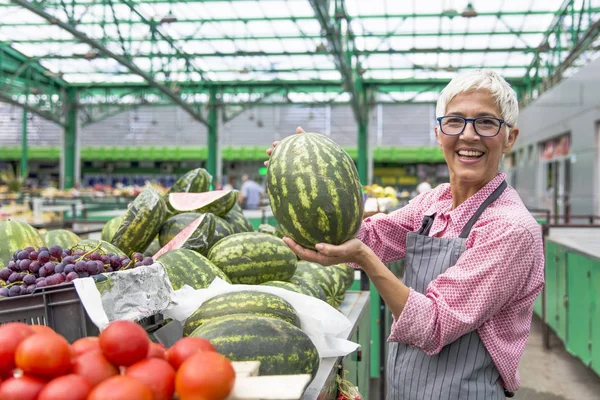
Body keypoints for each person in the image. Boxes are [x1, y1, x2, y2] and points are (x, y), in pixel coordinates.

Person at [266, 70, 544, 399]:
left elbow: (434, 324)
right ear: (439, 133)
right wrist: (309, 174)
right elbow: (374, 237)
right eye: (455, 121)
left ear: (509, 138)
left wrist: (364, 259)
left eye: (486, 123)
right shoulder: (435, 201)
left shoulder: (510, 228)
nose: (469, 135)